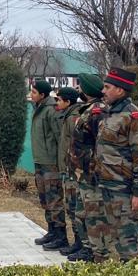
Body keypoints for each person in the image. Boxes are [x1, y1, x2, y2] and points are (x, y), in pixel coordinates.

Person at [93, 67, 138, 262]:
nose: (103, 91)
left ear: (120, 90)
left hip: (124, 191)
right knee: (119, 239)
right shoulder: (110, 113)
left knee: (132, 244)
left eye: (107, 87)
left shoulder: (133, 116)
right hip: (109, 187)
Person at [68, 73, 105, 262]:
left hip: (91, 174)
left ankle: (97, 254)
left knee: (93, 216)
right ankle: (87, 249)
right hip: (82, 173)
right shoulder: (87, 109)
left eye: (81, 86)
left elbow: (102, 144)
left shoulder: (98, 112)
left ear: (87, 89)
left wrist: (94, 167)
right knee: (81, 214)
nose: (79, 89)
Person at [30, 79, 66, 250]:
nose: (31, 95)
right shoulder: (39, 108)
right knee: (45, 199)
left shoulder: (52, 110)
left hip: (51, 163)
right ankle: (52, 231)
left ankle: (61, 236)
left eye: (34, 92)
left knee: (54, 200)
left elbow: (60, 138)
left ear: (42, 95)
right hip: (40, 161)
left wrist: (61, 163)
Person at [54, 85, 85, 257]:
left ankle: (81, 244)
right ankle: (77, 242)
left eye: (59, 100)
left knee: (75, 208)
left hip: (74, 171)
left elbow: (76, 145)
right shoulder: (67, 116)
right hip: (68, 169)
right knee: (71, 207)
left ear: (68, 101)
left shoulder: (74, 118)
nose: (57, 103)